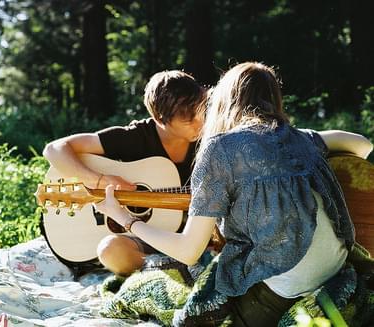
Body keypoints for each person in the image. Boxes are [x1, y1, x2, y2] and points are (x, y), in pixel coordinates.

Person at [93, 62, 373, 326]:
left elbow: (189, 252)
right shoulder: (300, 138)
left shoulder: (219, 149)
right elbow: (361, 145)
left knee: (161, 292)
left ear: (225, 101)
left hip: (284, 290)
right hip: (335, 271)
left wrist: (125, 219)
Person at [43, 70, 207, 276]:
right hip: (141, 239)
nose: (200, 124)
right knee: (110, 251)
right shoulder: (136, 137)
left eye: (200, 113)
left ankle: (171, 268)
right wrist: (100, 181)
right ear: (160, 119)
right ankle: (170, 269)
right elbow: (54, 149)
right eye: (188, 119)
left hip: (188, 237)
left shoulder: (209, 141)